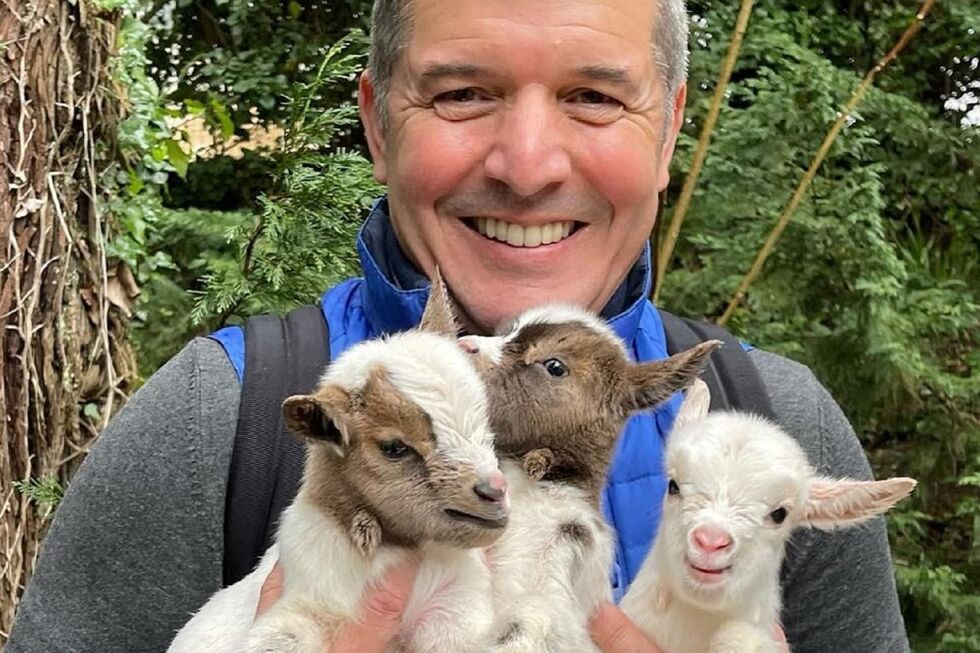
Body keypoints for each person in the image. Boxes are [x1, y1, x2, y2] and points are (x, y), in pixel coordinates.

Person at [7, 0, 910, 651]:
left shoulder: (776, 432)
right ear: (377, 125)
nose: (527, 165)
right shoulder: (220, 419)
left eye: (595, 97)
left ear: (670, 129)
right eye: (463, 93)